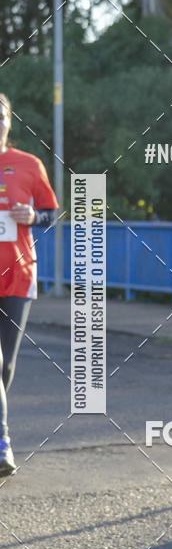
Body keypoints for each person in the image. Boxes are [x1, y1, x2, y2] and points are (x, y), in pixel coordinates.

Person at [0, 93, 59, 476]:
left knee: (5, 365)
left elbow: (51, 213)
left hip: (18, 275)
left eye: (0, 116)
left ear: (9, 121)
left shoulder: (28, 164)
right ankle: (2, 442)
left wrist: (33, 216)